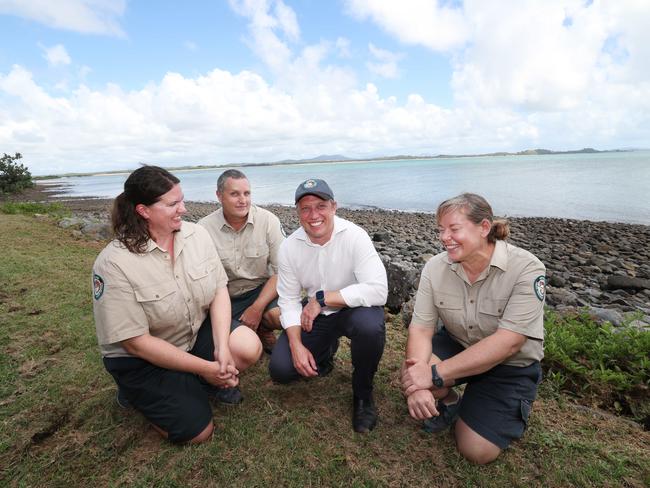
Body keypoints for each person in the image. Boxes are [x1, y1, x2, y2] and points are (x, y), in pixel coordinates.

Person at [92, 166, 262, 444]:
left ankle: (192, 383)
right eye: (173, 204)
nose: (183, 209)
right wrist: (206, 368)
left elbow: (219, 289)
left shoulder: (197, 235)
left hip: (191, 334)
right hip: (141, 360)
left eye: (182, 200)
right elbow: (135, 343)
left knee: (246, 347)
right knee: (197, 433)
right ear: (144, 210)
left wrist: (220, 347)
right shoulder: (113, 264)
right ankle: (137, 393)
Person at [401, 193, 545, 464]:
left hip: (510, 365)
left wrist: (432, 375)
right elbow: (421, 329)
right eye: (441, 230)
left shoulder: (526, 268)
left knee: (476, 451)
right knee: (410, 370)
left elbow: (509, 343)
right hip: (460, 344)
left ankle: (492, 407)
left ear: (484, 228)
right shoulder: (435, 267)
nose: (444, 237)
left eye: (454, 229)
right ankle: (453, 400)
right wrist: (419, 382)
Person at [269, 178, 388, 433]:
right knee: (282, 370)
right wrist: (296, 344)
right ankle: (324, 354)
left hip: (354, 309)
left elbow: (379, 290)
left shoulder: (355, 236)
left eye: (321, 206)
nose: (314, 215)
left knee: (369, 327)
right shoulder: (290, 247)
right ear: (297, 213)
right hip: (317, 314)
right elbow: (288, 299)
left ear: (334, 206)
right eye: (305, 208)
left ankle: (363, 395)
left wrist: (322, 299)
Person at [198, 169, 284, 353]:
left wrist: (257, 308)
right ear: (219, 196)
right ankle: (246, 330)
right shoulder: (203, 229)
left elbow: (281, 272)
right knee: (238, 343)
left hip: (261, 290)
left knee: (279, 315)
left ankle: (264, 326)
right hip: (224, 297)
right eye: (234, 194)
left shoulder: (268, 221)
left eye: (247, 193)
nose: (243, 200)